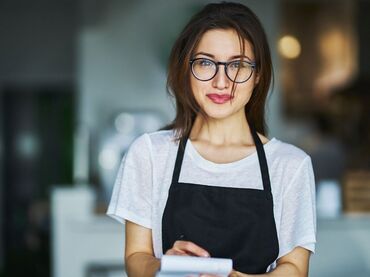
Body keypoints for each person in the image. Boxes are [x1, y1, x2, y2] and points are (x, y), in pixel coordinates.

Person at [107, 2, 316, 276]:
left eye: (238, 65)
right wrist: (166, 266)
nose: (221, 81)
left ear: (258, 75)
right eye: (206, 63)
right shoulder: (149, 154)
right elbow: (136, 258)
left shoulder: (290, 165)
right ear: (186, 68)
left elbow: (295, 268)